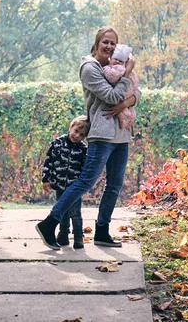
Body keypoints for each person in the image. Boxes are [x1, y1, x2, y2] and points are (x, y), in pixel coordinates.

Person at [36, 27, 140, 250]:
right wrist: (127, 73)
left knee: (114, 185)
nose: (109, 47)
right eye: (105, 42)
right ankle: (49, 223)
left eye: (113, 43)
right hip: (102, 134)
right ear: (97, 43)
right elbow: (111, 95)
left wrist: (125, 103)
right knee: (85, 181)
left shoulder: (116, 67)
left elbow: (136, 93)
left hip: (122, 134)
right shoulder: (89, 68)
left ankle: (102, 231)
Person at [41, 116, 90, 249]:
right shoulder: (57, 143)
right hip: (60, 184)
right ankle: (63, 234)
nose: (77, 136)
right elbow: (48, 161)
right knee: (62, 211)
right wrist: (46, 179)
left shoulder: (82, 149)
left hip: (74, 186)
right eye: (75, 131)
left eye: (81, 135)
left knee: (75, 212)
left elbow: (84, 167)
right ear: (70, 127)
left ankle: (78, 236)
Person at [102, 44, 139, 130]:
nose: (118, 62)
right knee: (124, 114)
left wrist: (125, 104)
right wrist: (126, 71)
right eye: (116, 59)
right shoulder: (109, 69)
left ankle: (129, 123)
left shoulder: (128, 70)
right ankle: (126, 123)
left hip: (129, 94)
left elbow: (138, 93)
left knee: (131, 113)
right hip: (121, 97)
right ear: (111, 59)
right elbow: (112, 78)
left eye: (121, 61)